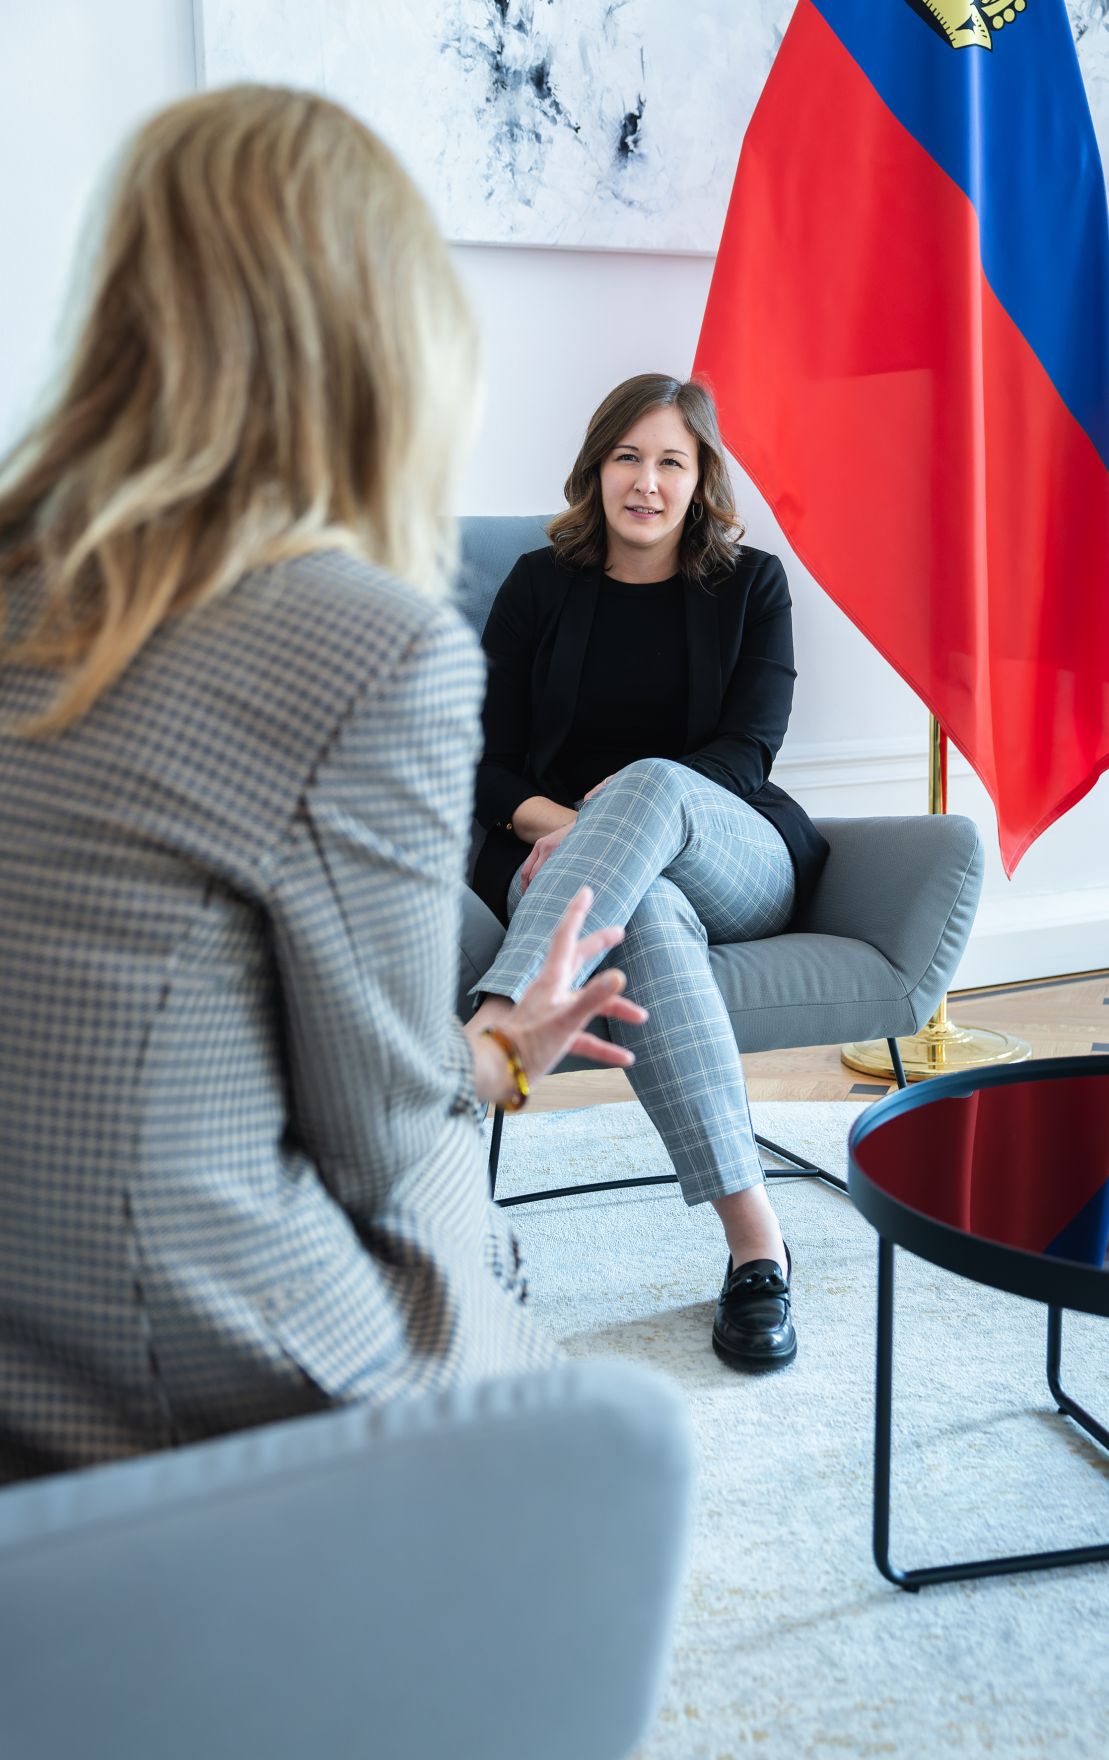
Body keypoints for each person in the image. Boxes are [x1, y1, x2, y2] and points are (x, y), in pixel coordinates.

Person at [0, 87, 646, 1483]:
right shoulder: (366, 638)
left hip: (26, 1296)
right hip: (170, 1363)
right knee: (586, 1399)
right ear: (385, 342)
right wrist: (496, 1058)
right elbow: (374, 1137)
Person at [468, 374, 830, 1371]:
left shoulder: (749, 584)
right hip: (581, 870)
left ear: (700, 477)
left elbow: (743, 754)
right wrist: (585, 832)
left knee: (657, 789)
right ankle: (757, 1245)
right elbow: (483, 760)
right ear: (595, 470)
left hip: (732, 852)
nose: (645, 478)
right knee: (649, 915)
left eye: (670, 458)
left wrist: (606, 821)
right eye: (626, 455)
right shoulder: (539, 586)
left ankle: (497, 1032)